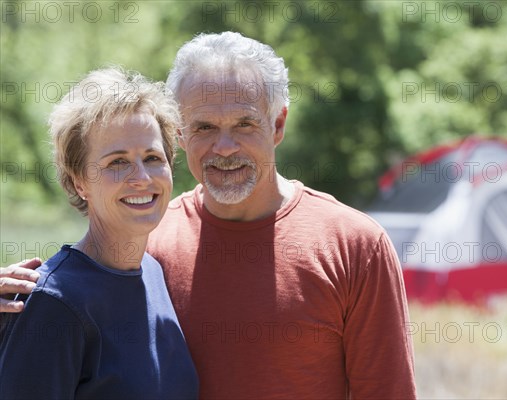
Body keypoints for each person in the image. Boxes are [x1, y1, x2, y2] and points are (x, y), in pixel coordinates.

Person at [1, 32, 417, 399]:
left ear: (277, 125)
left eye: (244, 124)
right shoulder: (152, 242)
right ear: (181, 135)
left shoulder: (356, 247)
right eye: (203, 128)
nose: (224, 147)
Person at [0, 67, 199, 399]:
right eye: (117, 162)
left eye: (152, 157)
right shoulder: (54, 301)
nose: (142, 178)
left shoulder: (153, 273)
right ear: (80, 181)